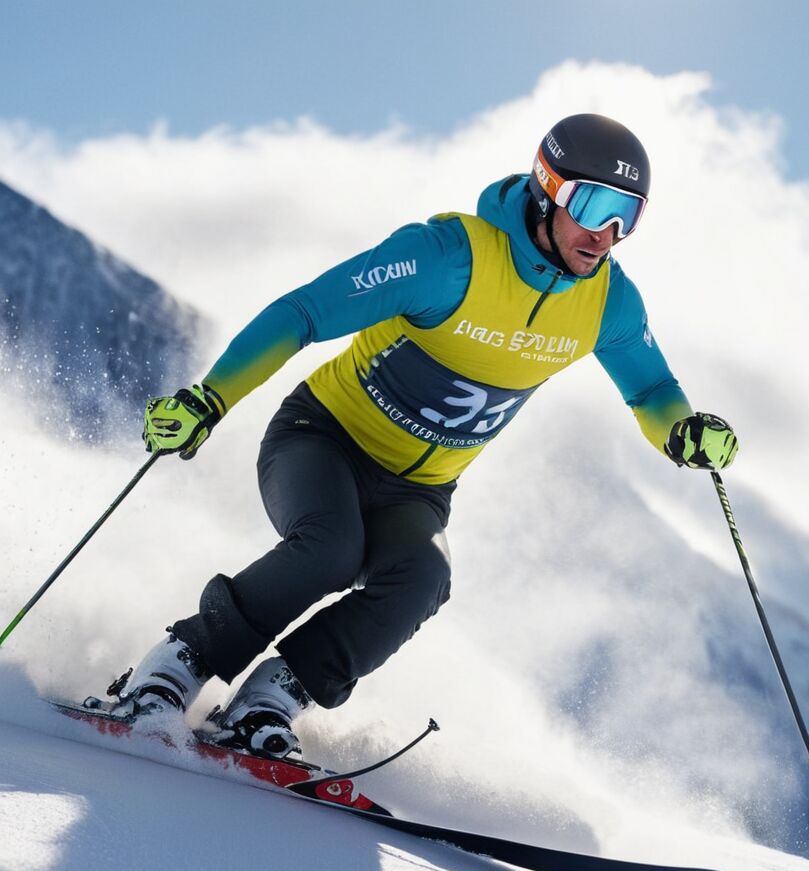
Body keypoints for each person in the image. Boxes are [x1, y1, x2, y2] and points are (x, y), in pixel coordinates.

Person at [105, 113, 738, 759]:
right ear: (547, 188)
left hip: (419, 489)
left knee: (423, 578)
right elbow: (305, 312)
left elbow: (652, 391)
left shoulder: (607, 303)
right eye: (594, 204)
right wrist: (211, 398)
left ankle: (271, 697)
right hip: (323, 439)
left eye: (627, 215)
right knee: (330, 550)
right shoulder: (448, 258)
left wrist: (683, 431)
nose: (607, 234)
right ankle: (173, 667)